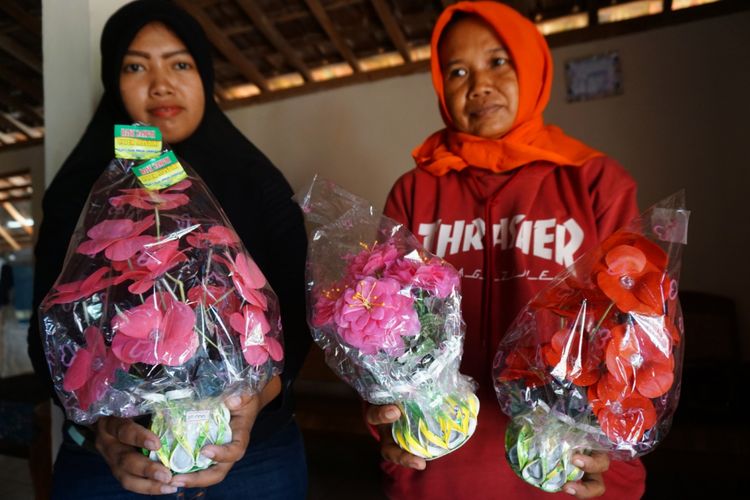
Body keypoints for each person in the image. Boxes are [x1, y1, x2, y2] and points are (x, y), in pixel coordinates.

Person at [27, 1, 310, 497]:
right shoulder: (79, 190)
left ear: (205, 76)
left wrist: (253, 402)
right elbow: (47, 332)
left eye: (180, 64)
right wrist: (104, 431)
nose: (160, 84)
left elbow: (299, 310)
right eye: (136, 66)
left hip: (255, 453)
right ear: (113, 82)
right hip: (111, 460)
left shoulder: (257, 183)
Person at [367, 2, 646, 499]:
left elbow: (637, 334)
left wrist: (616, 443)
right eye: (457, 71)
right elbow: (379, 338)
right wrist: (384, 416)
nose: (478, 85)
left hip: (572, 472)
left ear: (532, 66)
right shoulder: (414, 193)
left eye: (498, 61)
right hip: (441, 470)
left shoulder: (596, 183)